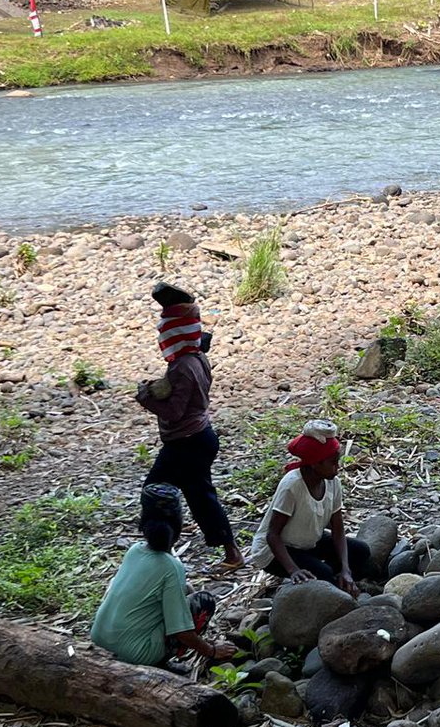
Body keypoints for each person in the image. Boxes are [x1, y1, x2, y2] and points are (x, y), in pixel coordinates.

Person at [135, 284, 244, 568]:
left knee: (156, 491)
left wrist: (145, 397)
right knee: (200, 496)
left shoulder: (182, 366)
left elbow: (173, 412)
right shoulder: (197, 357)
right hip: (199, 437)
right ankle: (229, 552)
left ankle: (159, 551)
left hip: (186, 442)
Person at [91, 483, 236, 669]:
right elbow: (182, 632)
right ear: (178, 523)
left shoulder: (134, 551)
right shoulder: (171, 566)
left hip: (99, 640)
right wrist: (212, 650)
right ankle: (159, 663)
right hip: (133, 654)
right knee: (204, 601)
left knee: (187, 591)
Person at [249, 420, 369, 596]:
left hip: (309, 540)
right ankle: (324, 581)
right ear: (315, 464)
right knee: (324, 574)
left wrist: (345, 569)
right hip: (276, 549)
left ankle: (335, 578)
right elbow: (272, 535)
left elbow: (337, 529)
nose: (338, 467)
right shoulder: (292, 485)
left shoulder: (333, 482)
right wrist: (293, 570)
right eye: (333, 462)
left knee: (361, 552)